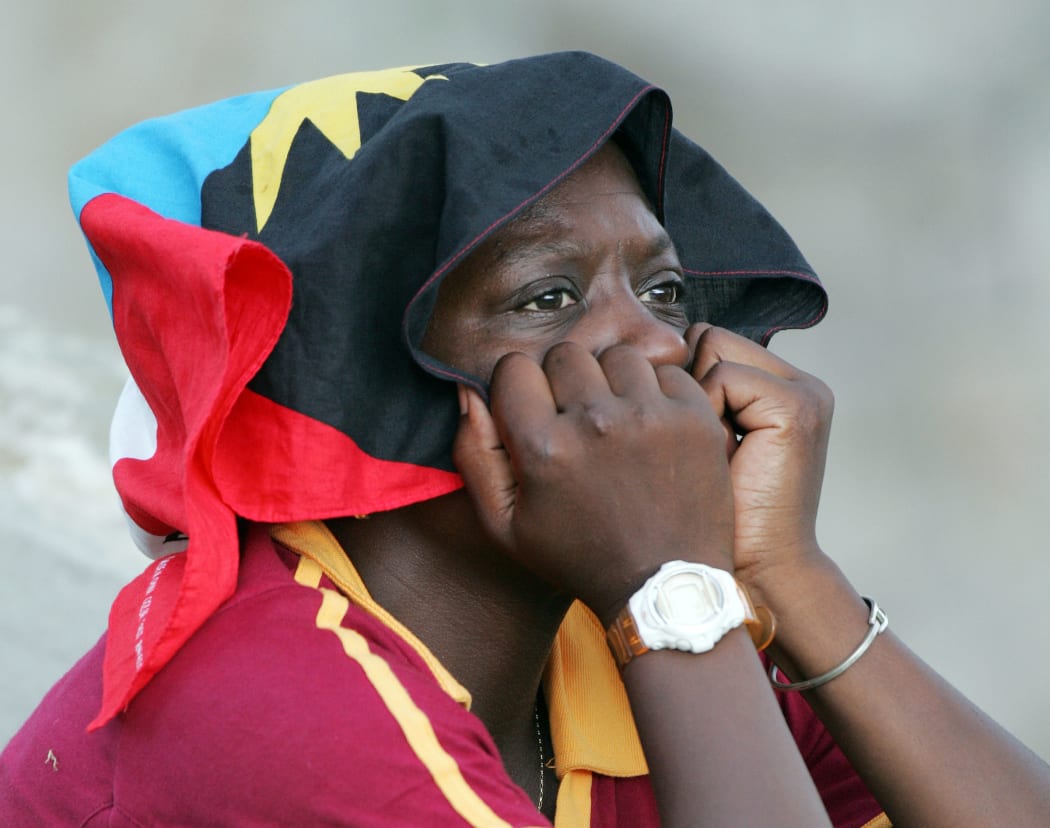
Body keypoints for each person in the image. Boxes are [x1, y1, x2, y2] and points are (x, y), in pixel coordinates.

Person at [2, 52, 1048, 826]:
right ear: (362, 391)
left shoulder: (615, 627)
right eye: (548, 297)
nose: (656, 344)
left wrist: (791, 573)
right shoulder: (279, 704)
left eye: (665, 288)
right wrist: (671, 587)